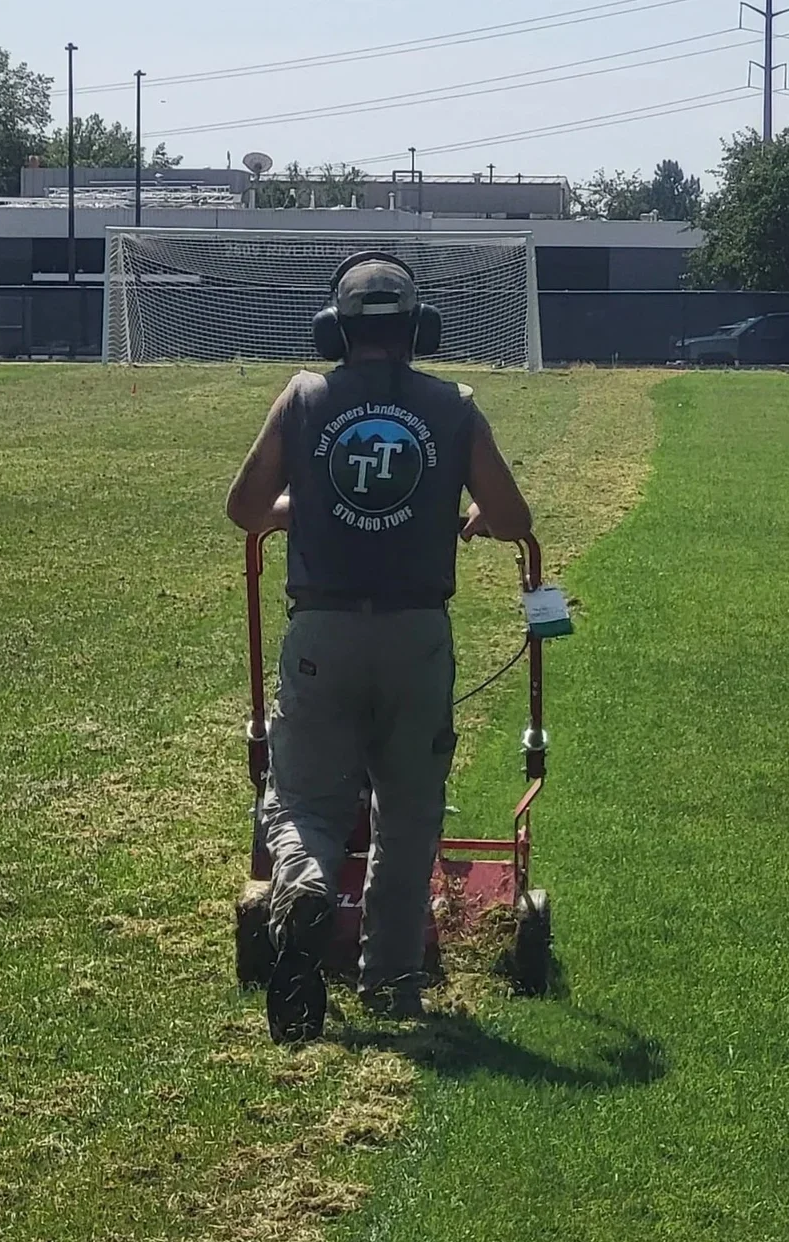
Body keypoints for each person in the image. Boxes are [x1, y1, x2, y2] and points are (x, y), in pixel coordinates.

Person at [226, 252, 534, 1045]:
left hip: (322, 632)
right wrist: (467, 517)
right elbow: (512, 514)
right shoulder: (454, 405)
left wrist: (314, 504)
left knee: (301, 799)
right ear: (417, 330)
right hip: (417, 637)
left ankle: (303, 888)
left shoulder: (302, 397)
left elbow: (246, 508)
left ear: (335, 331)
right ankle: (393, 982)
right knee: (408, 812)